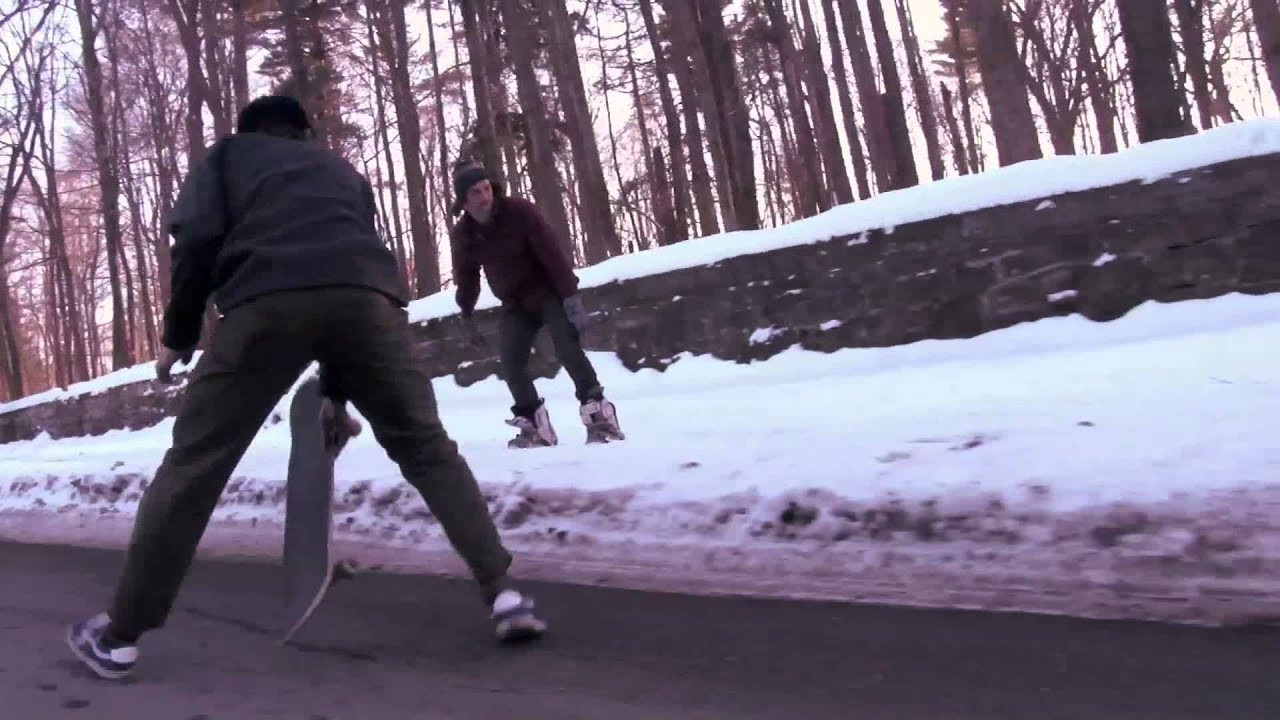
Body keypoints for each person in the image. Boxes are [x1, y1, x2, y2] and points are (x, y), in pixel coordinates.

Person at [66, 96, 545, 682]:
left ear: (250, 131)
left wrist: (180, 334)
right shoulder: (340, 171)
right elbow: (339, 273)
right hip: (370, 305)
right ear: (302, 134)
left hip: (264, 304)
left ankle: (119, 636)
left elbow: (194, 241)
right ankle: (503, 592)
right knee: (426, 446)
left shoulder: (228, 157)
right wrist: (337, 393)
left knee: (196, 462)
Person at [448, 161, 624, 448]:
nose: (485, 197)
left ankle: (599, 415)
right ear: (464, 201)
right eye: (476, 193)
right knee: (511, 362)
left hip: (548, 291)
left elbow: (552, 253)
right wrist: (466, 314)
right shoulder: (464, 234)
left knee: (567, 348)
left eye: (486, 188)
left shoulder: (519, 212)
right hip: (515, 302)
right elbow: (467, 277)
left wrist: (571, 298)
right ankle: (536, 425)